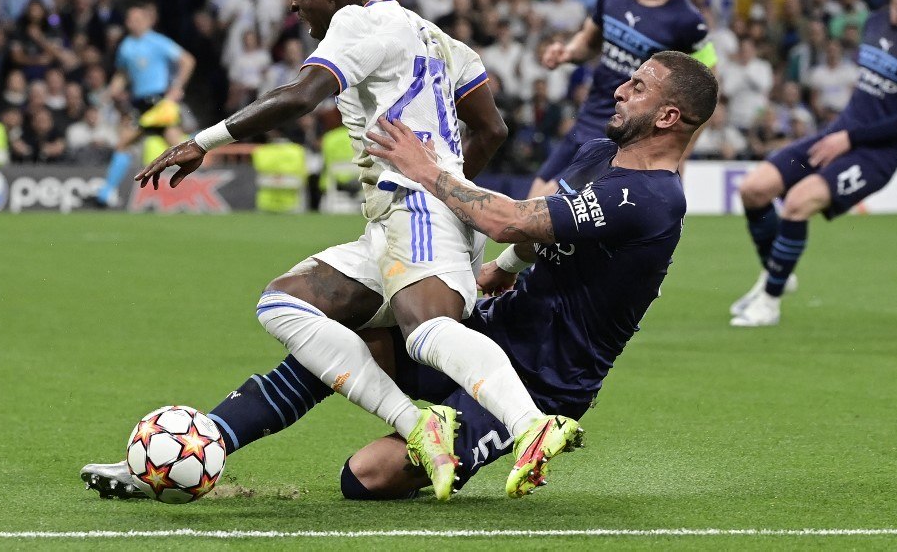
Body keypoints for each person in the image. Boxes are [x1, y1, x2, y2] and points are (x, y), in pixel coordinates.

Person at [81, 51, 717, 501]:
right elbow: (540, 232)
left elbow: (512, 219)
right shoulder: (599, 153)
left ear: (668, 117)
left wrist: (426, 169)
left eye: (638, 88)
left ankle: (505, 431)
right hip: (497, 331)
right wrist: (500, 272)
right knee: (334, 348)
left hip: (549, 379)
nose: (621, 91)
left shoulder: (655, 198)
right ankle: (195, 449)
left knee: (364, 479)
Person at [131, 0, 575, 501]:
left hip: (415, 209)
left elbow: (300, 96)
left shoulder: (356, 24)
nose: (293, 4)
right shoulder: (434, 35)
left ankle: (530, 426)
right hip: (410, 216)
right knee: (284, 303)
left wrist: (201, 142)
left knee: (427, 330)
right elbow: (491, 127)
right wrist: (454, 191)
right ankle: (419, 423)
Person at [730, 0, 897, 327]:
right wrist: (843, 133)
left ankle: (770, 301)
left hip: (875, 155)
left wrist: (852, 138)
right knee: (754, 188)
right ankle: (776, 272)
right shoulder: (875, 22)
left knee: (798, 202)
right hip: (837, 135)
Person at [530, 0, 716, 197]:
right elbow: (589, 40)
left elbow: (707, 89)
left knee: (545, 209)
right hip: (588, 119)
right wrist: (567, 52)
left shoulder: (688, 21)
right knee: (535, 198)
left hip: (628, 132)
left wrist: (681, 153)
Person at [88, 3, 195, 208]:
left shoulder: (158, 42)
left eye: (137, 19)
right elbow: (123, 74)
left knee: (180, 147)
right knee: (123, 144)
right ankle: (105, 195)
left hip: (159, 103)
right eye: (130, 20)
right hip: (140, 104)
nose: (133, 23)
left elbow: (188, 61)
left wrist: (176, 88)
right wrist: (110, 92)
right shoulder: (126, 46)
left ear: (146, 21)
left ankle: (197, 186)